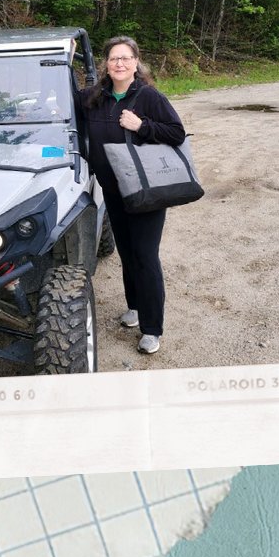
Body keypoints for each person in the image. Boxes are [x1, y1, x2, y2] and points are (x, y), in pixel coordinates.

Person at [77, 35, 185, 354]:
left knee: (145, 255)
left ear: (136, 63)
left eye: (125, 58)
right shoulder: (96, 97)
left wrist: (142, 126)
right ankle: (135, 308)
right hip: (114, 190)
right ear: (106, 65)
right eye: (113, 59)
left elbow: (176, 133)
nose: (119, 64)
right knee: (126, 252)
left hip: (146, 190)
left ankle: (152, 328)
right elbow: (67, 99)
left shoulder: (148, 97)